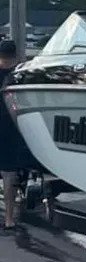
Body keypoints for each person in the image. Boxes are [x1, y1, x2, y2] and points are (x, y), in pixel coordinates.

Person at [0, 40, 33, 232]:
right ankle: (10, 218)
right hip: (11, 127)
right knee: (9, 174)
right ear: (15, 54)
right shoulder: (20, 74)